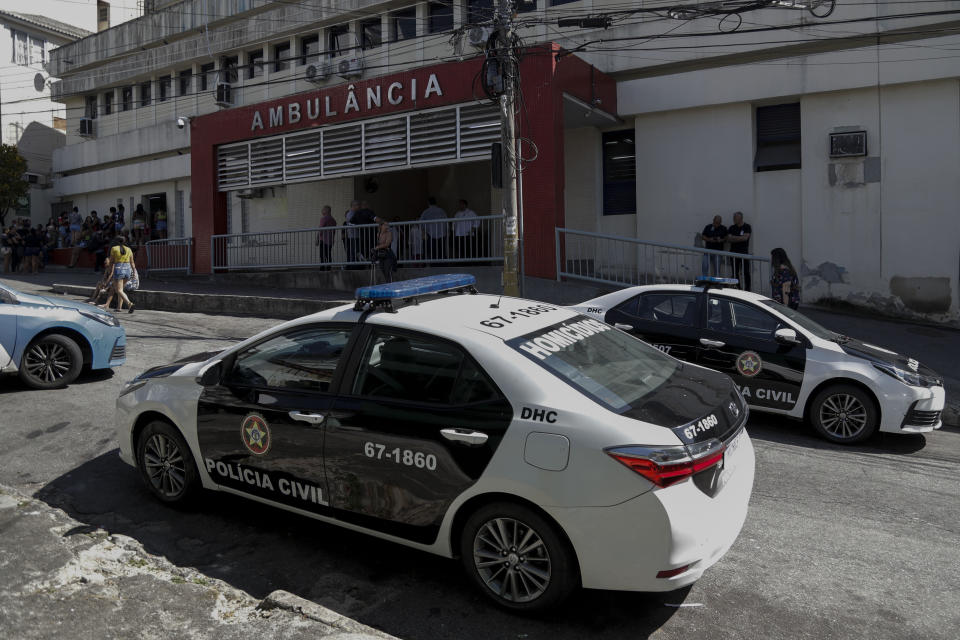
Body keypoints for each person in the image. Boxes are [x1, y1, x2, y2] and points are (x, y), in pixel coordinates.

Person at [100, 236, 137, 313]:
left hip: (119, 270)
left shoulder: (114, 249)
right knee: (121, 290)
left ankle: (130, 304)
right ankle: (119, 307)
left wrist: (110, 271)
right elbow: (132, 262)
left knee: (118, 290)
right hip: (128, 270)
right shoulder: (129, 249)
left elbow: (111, 262)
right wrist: (134, 272)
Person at [727, 211, 752, 291]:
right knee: (735, 272)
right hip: (733, 253)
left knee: (746, 272)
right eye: (734, 218)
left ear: (740, 218)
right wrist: (740, 238)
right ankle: (737, 288)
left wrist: (734, 238)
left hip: (744, 253)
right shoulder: (731, 227)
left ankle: (748, 288)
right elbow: (729, 239)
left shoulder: (747, 226)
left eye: (736, 218)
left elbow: (745, 238)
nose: (734, 219)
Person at [419, 197, 448, 263]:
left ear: (428, 203)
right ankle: (443, 263)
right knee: (442, 250)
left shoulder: (426, 211)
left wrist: (423, 233)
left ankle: (434, 264)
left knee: (432, 251)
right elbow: (446, 221)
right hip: (441, 233)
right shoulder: (441, 210)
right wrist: (447, 231)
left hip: (431, 234)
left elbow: (420, 222)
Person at [371, 217, 397, 283]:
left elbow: (387, 244)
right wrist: (375, 251)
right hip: (381, 254)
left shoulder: (389, 233)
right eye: (385, 225)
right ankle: (387, 285)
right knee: (383, 271)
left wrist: (376, 248)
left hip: (388, 254)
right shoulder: (378, 234)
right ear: (381, 226)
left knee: (388, 271)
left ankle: (391, 286)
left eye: (387, 225)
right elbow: (378, 243)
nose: (387, 226)